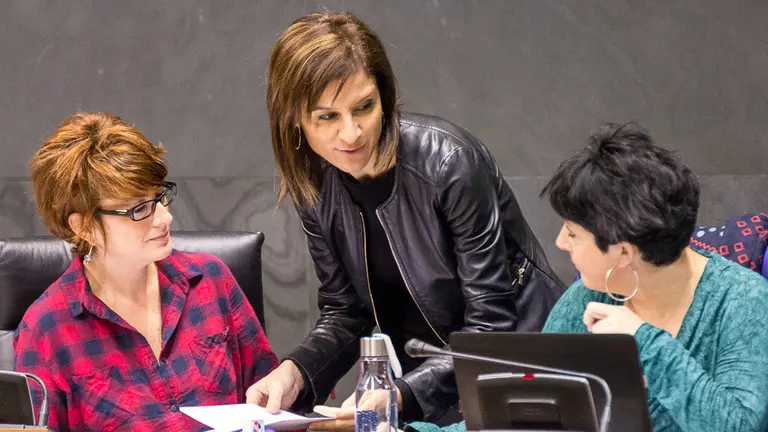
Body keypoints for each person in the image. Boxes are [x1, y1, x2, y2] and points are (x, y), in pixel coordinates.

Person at [246, 11, 565, 426]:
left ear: (384, 95)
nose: (352, 133)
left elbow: (491, 325)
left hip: (519, 367)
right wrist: (296, 372)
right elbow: (345, 311)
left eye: (364, 107)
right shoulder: (316, 184)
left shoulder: (450, 163)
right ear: (293, 118)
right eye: (327, 116)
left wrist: (403, 393)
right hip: (435, 381)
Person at [14, 112, 278, 431]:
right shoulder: (46, 330)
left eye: (158, 197)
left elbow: (272, 402)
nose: (164, 218)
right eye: (139, 209)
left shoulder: (211, 280)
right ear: (85, 227)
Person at [540, 123, 768, 431]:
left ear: (623, 252)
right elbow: (536, 407)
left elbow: (739, 425)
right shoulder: (582, 300)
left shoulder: (742, 301)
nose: (560, 243)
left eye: (572, 234)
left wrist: (644, 340)